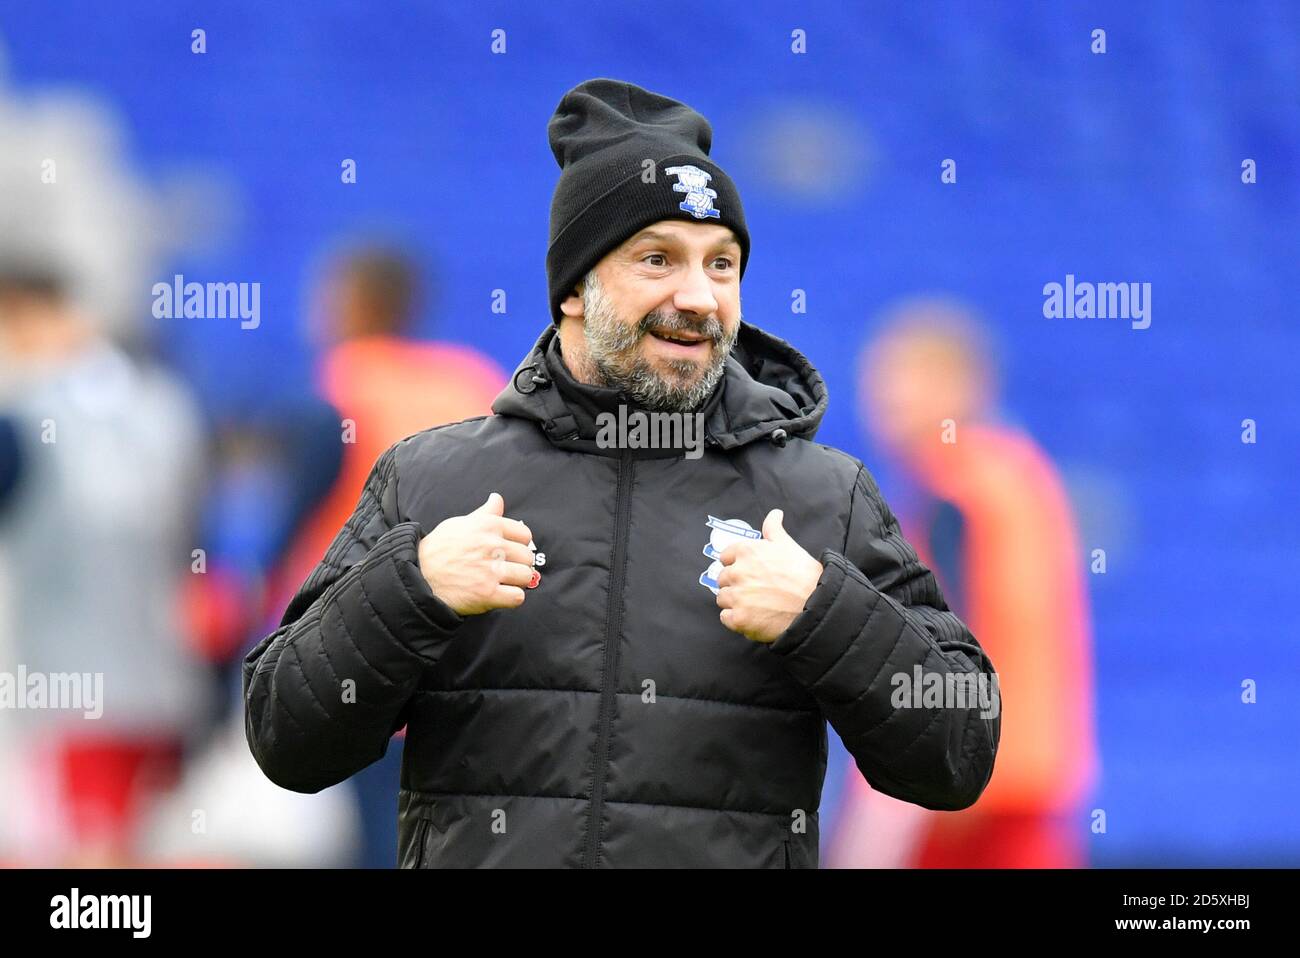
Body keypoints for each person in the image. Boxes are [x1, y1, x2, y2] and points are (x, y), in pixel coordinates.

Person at [243, 78, 1000, 868]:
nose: (698, 297)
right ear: (574, 289)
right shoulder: (433, 481)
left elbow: (959, 751)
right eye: (657, 259)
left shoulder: (821, 497)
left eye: (722, 264)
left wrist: (824, 613)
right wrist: (411, 588)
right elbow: (285, 739)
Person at [845, 300, 1097, 867]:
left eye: (899, 382)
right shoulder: (1018, 477)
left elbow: (950, 643)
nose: (882, 403)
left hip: (965, 797)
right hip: (1024, 784)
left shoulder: (956, 497)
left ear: (956, 386)